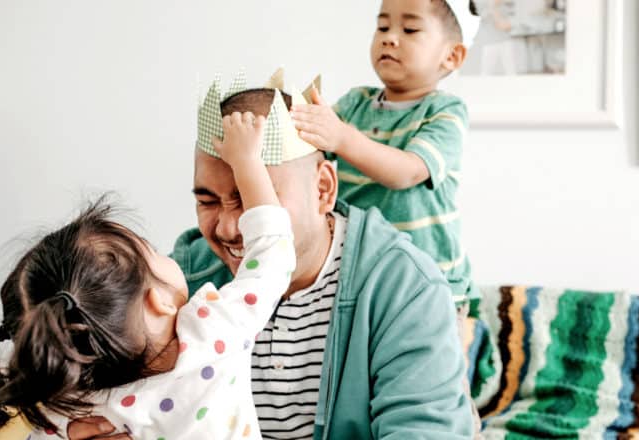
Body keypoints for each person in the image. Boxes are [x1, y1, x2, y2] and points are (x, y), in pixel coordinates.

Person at [64, 73, 473, 439]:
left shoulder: (406, 290)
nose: (226, 228)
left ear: (324, 189)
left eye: (252, 199)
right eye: (208, 201)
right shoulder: (178, 281)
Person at [0, 110, 297, 439]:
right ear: (157, 301)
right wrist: (247, 162)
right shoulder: (212, 335)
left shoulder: (62, 397)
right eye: (152, 250)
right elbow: (273, 257)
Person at [289, 0, 478, 314]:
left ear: (452, 55)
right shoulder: (354, 103)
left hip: (430, 284)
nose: (390, 37)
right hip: (361, 274)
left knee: (436, 361)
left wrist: (342, 136)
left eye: (410, 28)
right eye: (383, 26)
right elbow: (313, 151)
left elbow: (406, 172)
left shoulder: (445, 111)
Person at [463, 0, 516, 75]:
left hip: (505, 42)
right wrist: (492, 7)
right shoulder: (481, 5)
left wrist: (494, 7)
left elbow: (504, 26)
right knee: (486, 73)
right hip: (490, 43)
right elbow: (477, 15)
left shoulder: (507, 5)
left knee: (511, 72)